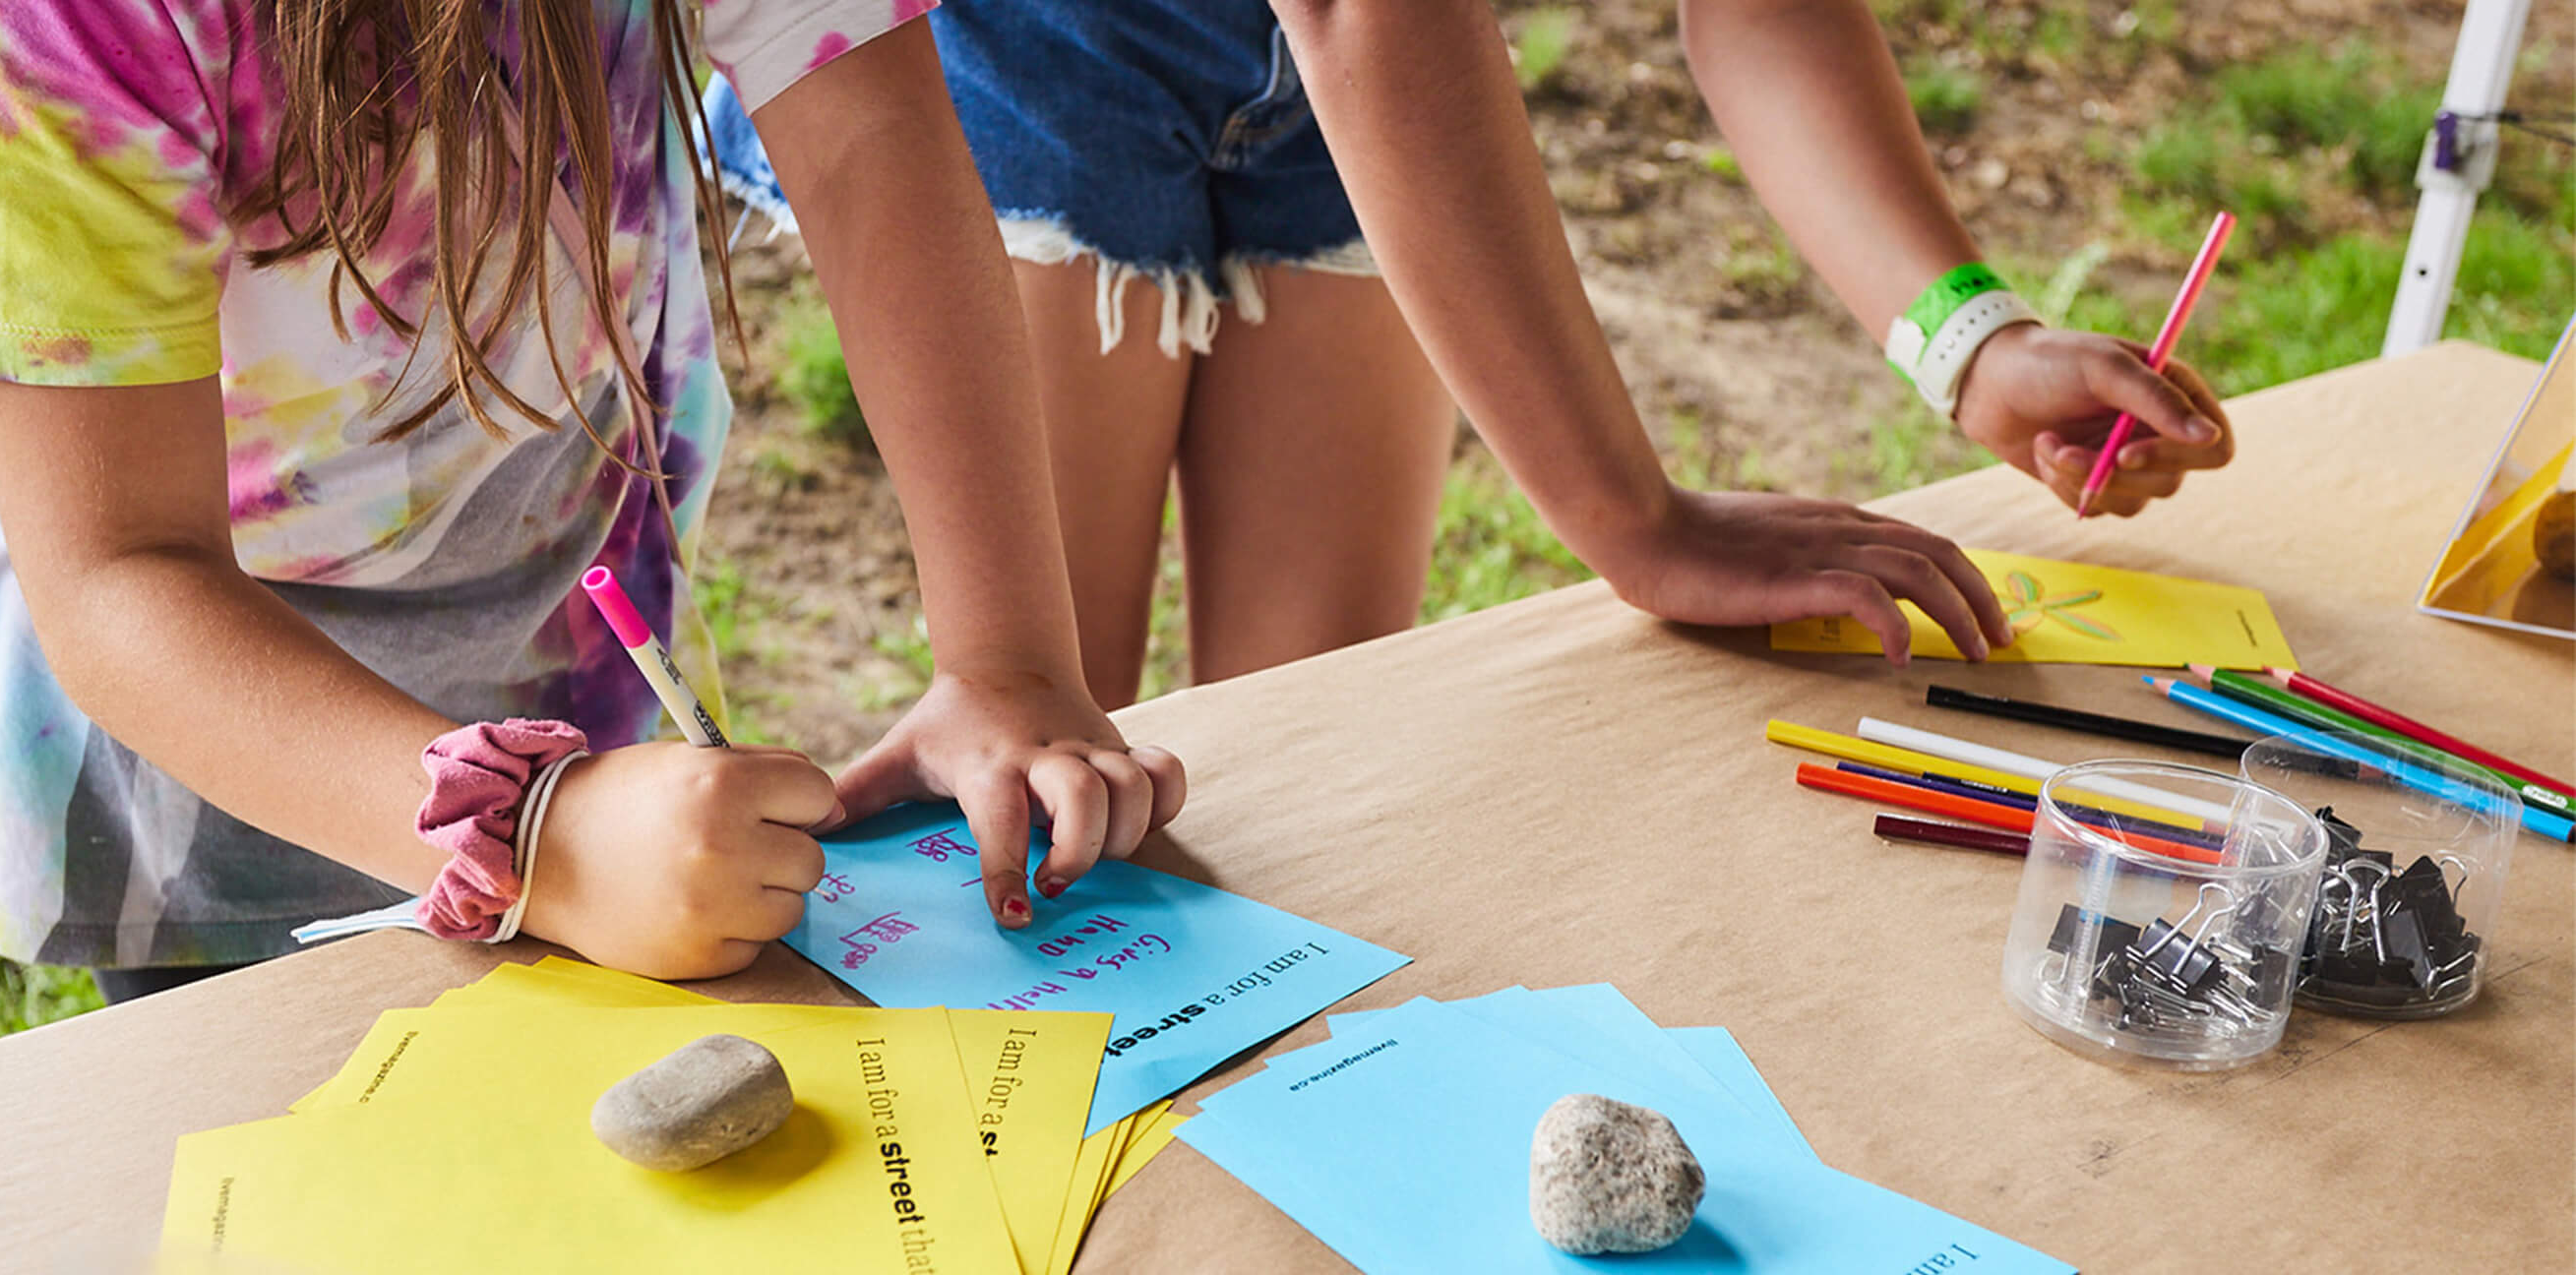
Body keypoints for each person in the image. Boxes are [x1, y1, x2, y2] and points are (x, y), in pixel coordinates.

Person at [0, 0, 1186, 994]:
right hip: (220, 760)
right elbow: (120, 566)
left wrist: (1008, 655)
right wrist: (533, 839)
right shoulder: (46, 21)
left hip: (577, 648)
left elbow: (871, 140)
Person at [708, 0, 2237, 708]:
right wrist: (1637, 524)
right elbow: (1363, 17)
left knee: (1315, 743)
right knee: (1045, 724)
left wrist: (1970, 337)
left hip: (1377, 59)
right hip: (1036, 39)